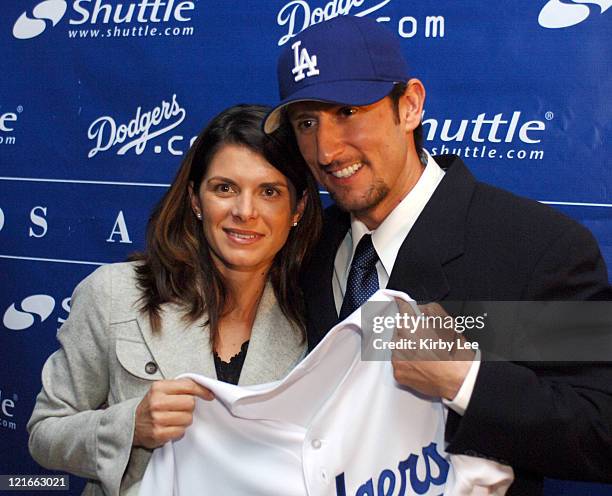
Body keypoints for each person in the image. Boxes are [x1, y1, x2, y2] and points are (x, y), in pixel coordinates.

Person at [263, 15, 612, 495]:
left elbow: (602, 429)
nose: (326, 150)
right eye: (307, 123)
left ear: (409, 106)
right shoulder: (305, 249)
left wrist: (466, 379)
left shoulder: (536, 247)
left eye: (348, 112)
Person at [27, 104, 322, 496]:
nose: (244, 211)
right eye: (225, 188)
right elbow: (43, 433)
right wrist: (130, 425)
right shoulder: (115, 293)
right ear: (196, 200)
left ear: (297, 209)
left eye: (269, 192)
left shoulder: (318, 313)